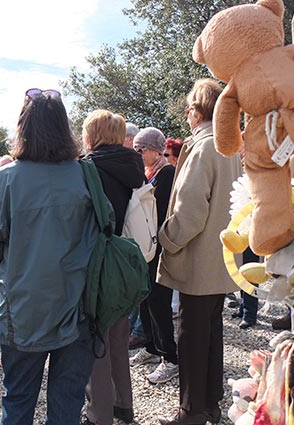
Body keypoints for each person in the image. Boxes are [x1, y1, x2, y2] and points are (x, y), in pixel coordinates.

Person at [0, 88, 99, 425]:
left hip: (23, 307)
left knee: (18, 398)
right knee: (67, 404)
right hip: (78, 306)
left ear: (23, 128)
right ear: (65, 127)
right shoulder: (86, 174)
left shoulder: (7, 178)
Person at [157, 79, 242, 425]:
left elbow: (189, 213)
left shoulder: (203, 147)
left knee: (191, 337)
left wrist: (165, 240)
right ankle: (210, 404)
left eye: (188, 108)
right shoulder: (229, 146)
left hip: (198, 257)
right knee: (211, 332)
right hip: (221, 257)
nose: (186, 114)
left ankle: (191, 411)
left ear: (196, 110)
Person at [83, 109, 146, 425]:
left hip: (96, 263)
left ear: (92, 136)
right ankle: (124, 405)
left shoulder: (87, 169)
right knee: (119, 338)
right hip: (128, 260)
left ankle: (99, 414)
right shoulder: (136, 167)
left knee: (96, 341)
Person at [129, 127, 178, 385]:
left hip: (158, 248)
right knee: (146, 300)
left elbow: (159, 210)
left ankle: (170, 357)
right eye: (135, 149)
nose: (138, 154)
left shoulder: (166, 173)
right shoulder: (150, 173)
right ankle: (151, 346)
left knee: (159, 302)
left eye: (141, 149)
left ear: (155, 150)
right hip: (147, 246)